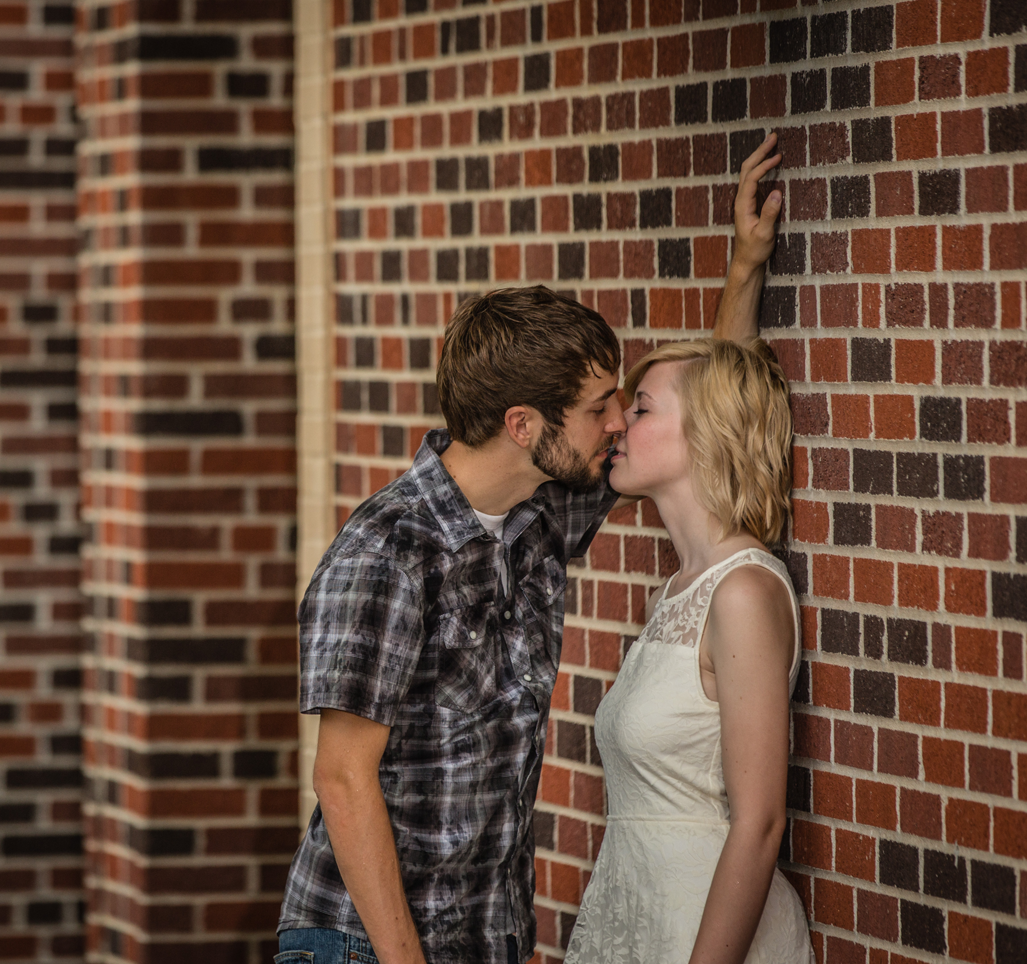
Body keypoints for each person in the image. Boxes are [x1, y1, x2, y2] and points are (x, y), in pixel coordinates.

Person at [275, 133, 787, 964]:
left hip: (490, 936)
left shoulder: (539, 516)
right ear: (523, 425)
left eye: (623, 402)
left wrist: (745, 269)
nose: (617, 422)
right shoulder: (387, 550)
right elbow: (340, 776)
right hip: (364, 945)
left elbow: (702, 429)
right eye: (598, 406)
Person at [561, 336, 812, 964]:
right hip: (637, 921)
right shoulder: (672, 594)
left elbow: (759, 825)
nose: (617, 423)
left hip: (707, 933)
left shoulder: (744, 592)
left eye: (641, 408)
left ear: (707, 434)